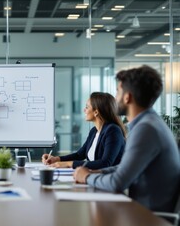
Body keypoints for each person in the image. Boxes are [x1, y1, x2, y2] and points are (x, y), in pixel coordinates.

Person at [74, 65, 180, 212]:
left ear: (127, 96)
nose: (115, 98)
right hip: (141, 211)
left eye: (117, 92)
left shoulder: (146, 129)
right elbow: (125, 168)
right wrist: (97, 172)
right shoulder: (150, 123)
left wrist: (86, 177)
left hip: (147, 217)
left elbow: (118, 182)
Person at [42, 92, 126, 170]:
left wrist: (68, 164)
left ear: (96, 112)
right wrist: (56, 159)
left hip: (108, 182)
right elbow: (80, 154)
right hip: (95, 178)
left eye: (87, 107)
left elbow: (105, 163)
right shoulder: (94, 131)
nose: (84, 110)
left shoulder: (113, 131)